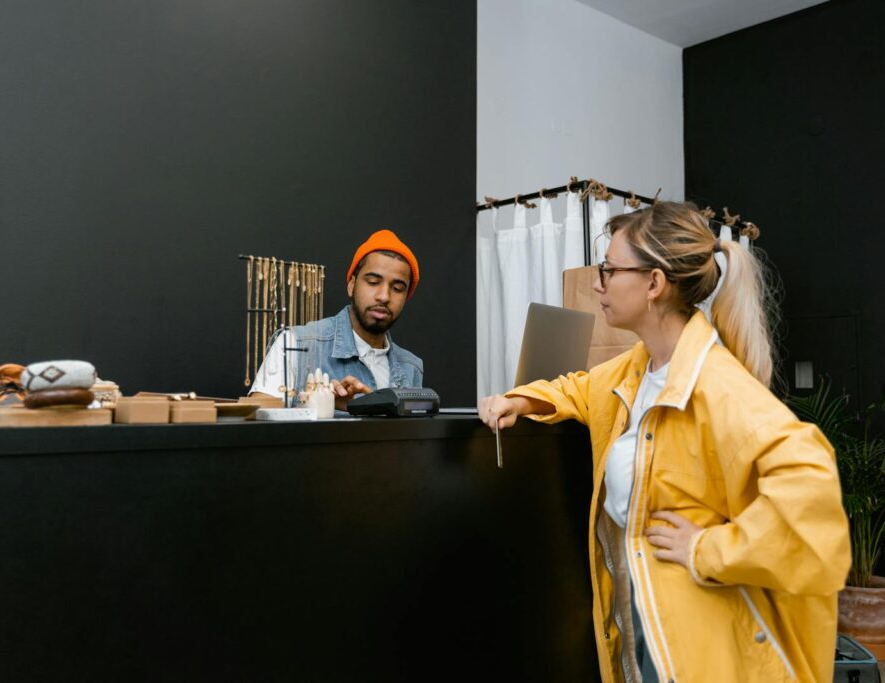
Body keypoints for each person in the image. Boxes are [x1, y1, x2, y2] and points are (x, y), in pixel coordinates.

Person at [480, 202, 850, 682]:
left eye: (610, 270)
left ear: (654, 284)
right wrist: (522, 401)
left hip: (697, 649)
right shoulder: (637, 369)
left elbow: (813, 508)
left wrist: (708, 549)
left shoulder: (716, 385)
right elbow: (579, 388)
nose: (599, 283)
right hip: (646, 627)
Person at [250, 229, 423, 410]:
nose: (384, 296)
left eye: (397, 288)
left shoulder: (411, 367)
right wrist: (318, 406)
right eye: (373, 282)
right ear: (351, 285)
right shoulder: (296, 343)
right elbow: (257, 424)